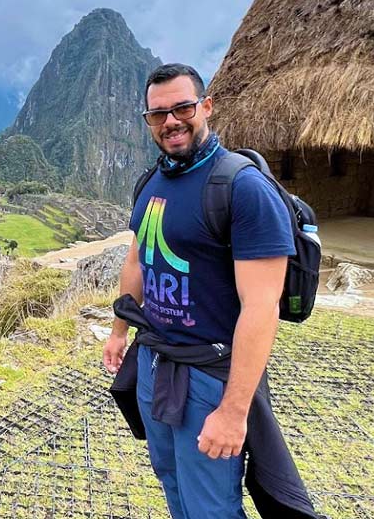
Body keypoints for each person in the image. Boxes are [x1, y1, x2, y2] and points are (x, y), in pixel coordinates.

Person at [103, 63, 317, 518]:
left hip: (209, 375)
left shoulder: (241, 188)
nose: (171, 121)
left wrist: (234, 411)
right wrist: (120, 331)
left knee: (211, 506)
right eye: (158, 114)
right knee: (173, 482)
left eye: (182, 107)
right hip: (154, 361)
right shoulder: (151, 183)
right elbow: (138, 260)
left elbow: (262, 307)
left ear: (206, 106)